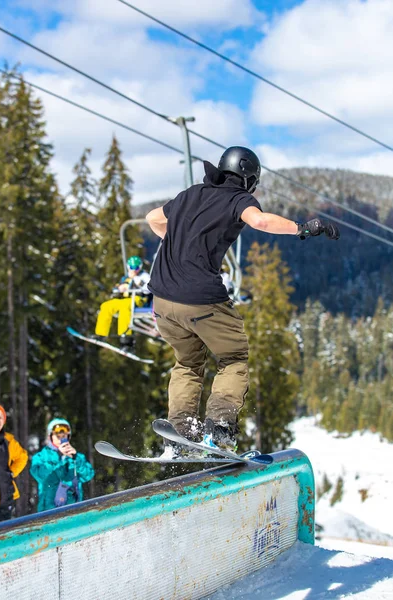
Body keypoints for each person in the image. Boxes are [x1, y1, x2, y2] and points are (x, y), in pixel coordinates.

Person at [146, 146, 340, 451]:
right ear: (249, 178)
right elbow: (260, 222)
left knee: (187, 362)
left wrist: (180, 242)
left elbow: (153, 218)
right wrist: (302, 228)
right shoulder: (238, 199)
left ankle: (181, 431)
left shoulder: (191, 194)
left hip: (162, 299)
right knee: (233, 358)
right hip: (201, 299)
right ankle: (219, 429)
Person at [30, 418, 94, 512]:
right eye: (58, 436)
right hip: (48, 511)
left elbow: (88, 475)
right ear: (50, 436)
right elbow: (39, 475)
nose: (61, 439)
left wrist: (76, 458)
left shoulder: (76, 456)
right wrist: (58, 456)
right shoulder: (41, 456)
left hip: (73, 510)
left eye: (64, 436)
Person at [95, 255, 151, 352]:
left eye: (136, 268)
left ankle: (126, 340)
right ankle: (101, 333)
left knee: (125, 309)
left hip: (138, 299)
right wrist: (119, 288)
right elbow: (118, 287)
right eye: (131, 268)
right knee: (106, 306)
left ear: (140, 267)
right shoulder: (125, 277)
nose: (134, 270)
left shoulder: (144, 276)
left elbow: (148, 288)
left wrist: (137, 280)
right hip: (124, 299)